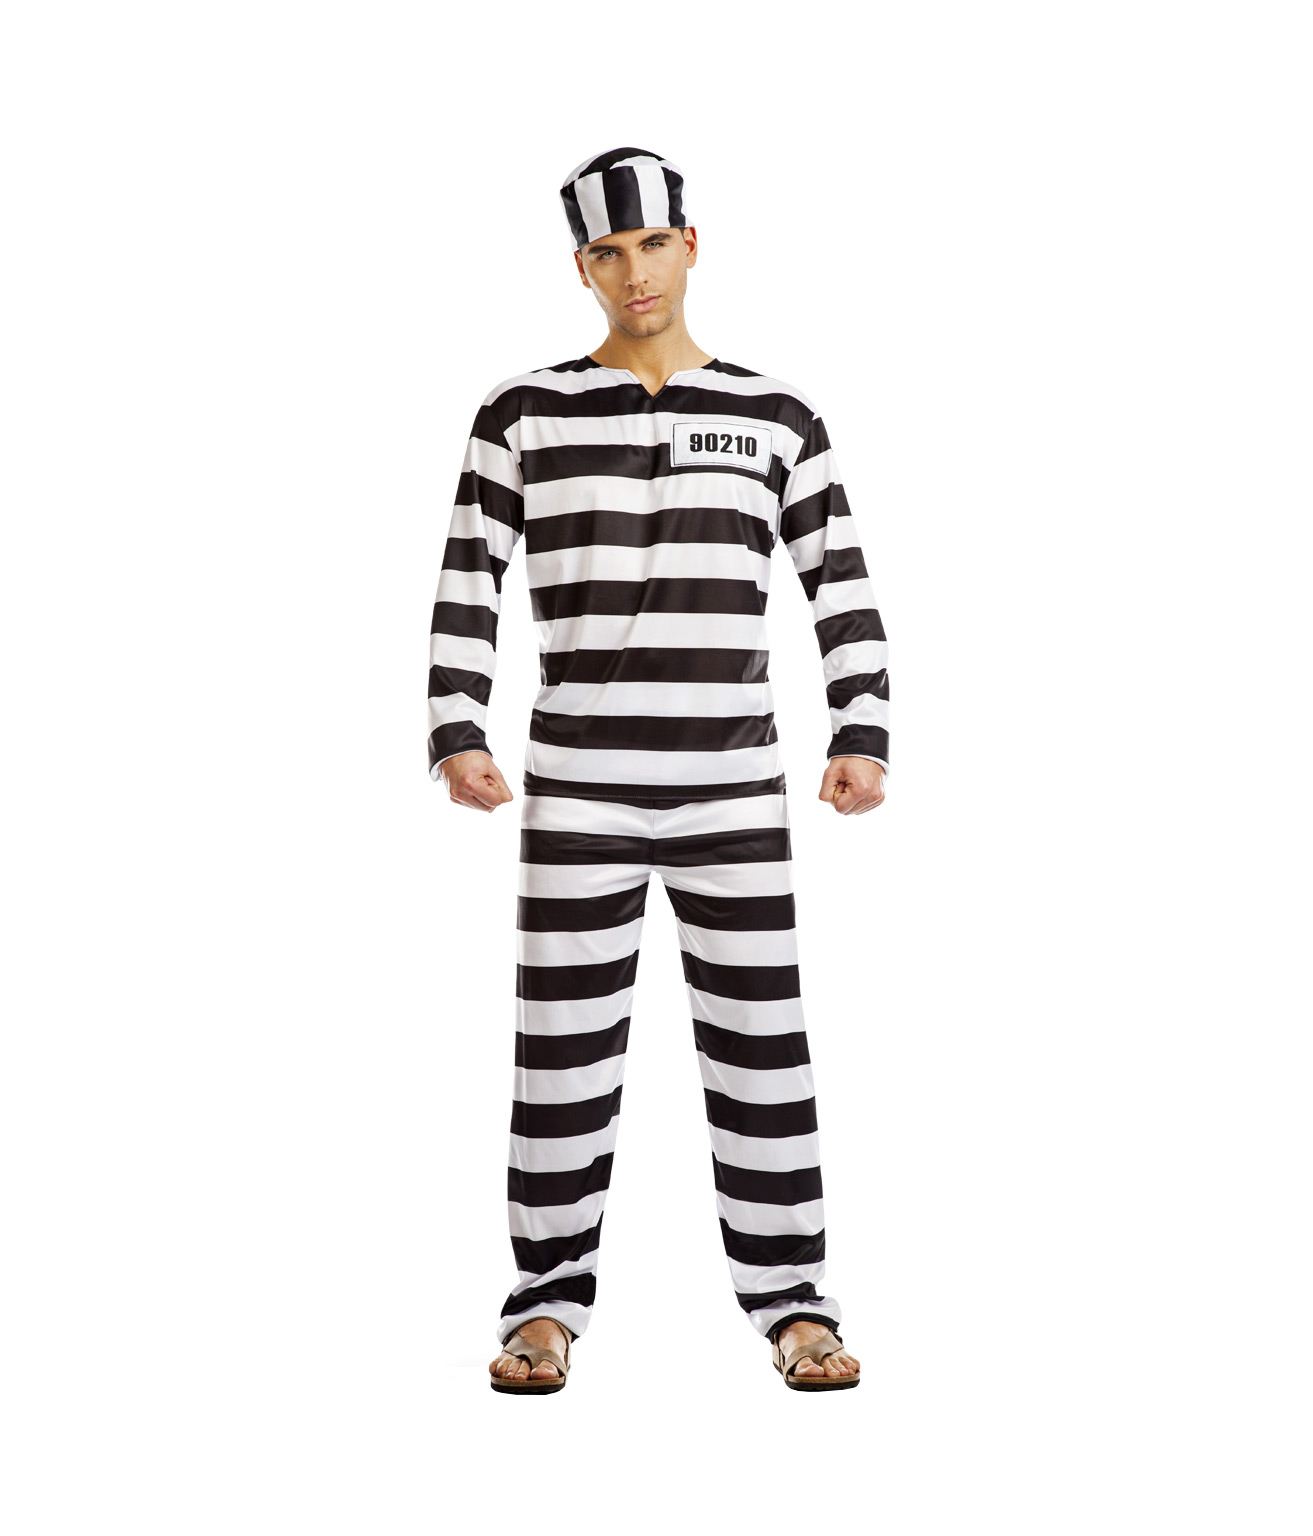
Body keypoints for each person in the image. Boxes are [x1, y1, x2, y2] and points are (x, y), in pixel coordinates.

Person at [427, 148, 889, 1393]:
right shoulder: (520, 413)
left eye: (651, 244)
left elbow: (837, 577)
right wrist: (456, 729)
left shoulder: (776, 414)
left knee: (761, 1051)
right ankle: (542, 1307)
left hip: (731, 786)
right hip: (576, 787)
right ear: (581, 266)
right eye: (606, 252)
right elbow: (468, 576)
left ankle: (794, 1304)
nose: (633, 272)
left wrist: (860, 729)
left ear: (691, 246)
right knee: (560, 1057)